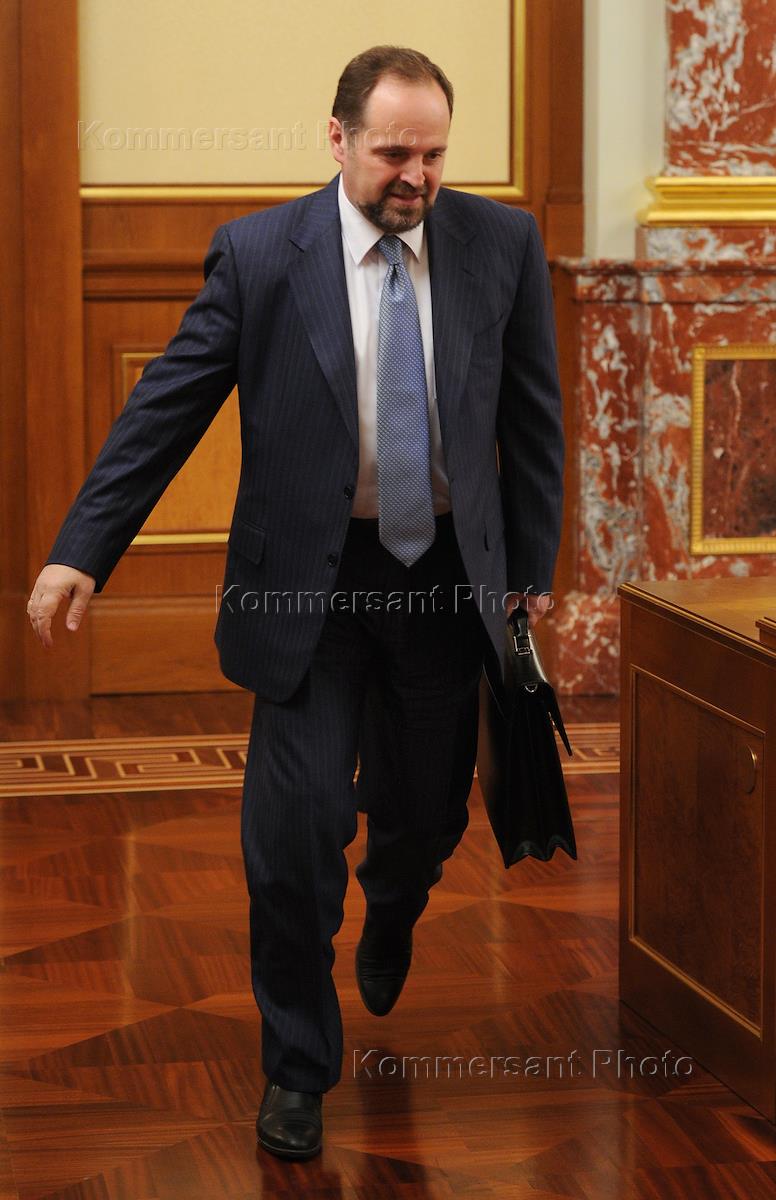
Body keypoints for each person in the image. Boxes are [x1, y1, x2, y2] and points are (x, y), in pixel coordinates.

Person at [26, 46, 564, 1161]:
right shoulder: (262, 254)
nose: (416, 175)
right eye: (393, 152)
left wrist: (528, 569)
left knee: (424, 818)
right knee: (293, 833)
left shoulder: (499, 243)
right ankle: (297, 1065)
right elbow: (164, 408)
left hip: (442, 580)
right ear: (336, 140)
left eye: (433, 153)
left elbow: (532, 416)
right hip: (304, 587)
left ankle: (396, 904)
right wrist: (83, 550)